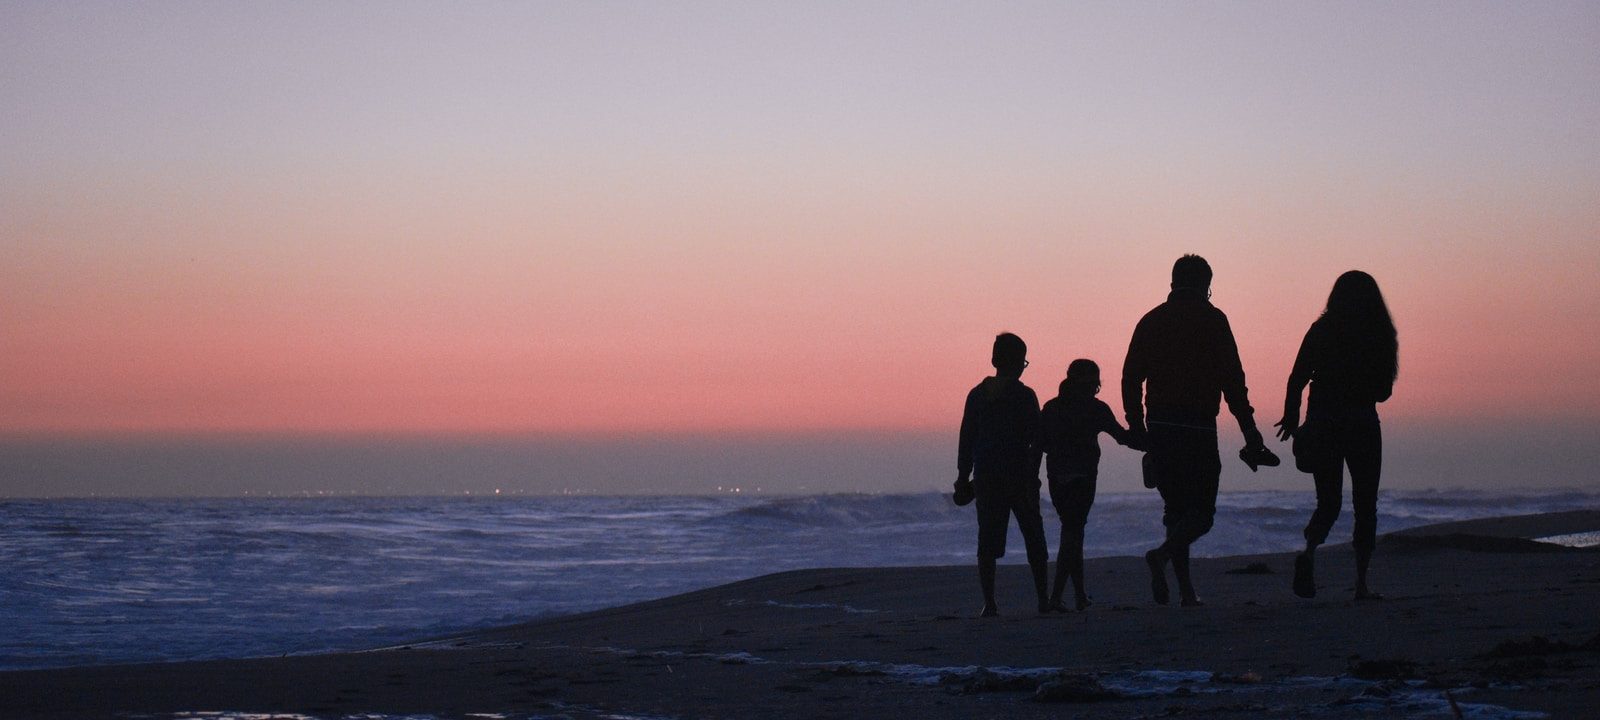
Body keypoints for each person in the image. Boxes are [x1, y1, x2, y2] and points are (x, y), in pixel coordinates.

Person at [1122, 254, 1266, 606]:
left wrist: (1136, 423)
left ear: (1173, 282)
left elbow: (1130, 377)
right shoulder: (1214, 320)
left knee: (1176, 511)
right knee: (1201, 515)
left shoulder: (1152, 320)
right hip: (1198, 427)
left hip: (1159, 426)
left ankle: (1186, 591)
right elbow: (1233, 381)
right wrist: (1250, 431)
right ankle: (1163, 555)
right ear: (1206, 285)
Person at [1275, 270, 1397, 601]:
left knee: (1328, 502)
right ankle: (1360, 583)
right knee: (1365, 504)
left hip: (1323, 423)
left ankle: (1310, 552)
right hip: (1361, 422)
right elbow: (1384, 391)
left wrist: (1291, 418)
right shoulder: (1379, 333)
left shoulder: (1321, 330)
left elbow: (1296, 378)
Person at [956, 332, 1051, 616]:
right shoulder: (1024, 395)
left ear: (995, 360)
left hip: (986, 476)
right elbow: (1038, 436)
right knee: (1034, 536)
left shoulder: (976, 395)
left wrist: (963, 476)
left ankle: (990, 602)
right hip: (1019, 475)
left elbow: (966, 438)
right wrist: (1035, 470)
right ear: (1020, 363)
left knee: (988, 540)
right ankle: (1043, 600)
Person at [1038, 359, 1140, 612]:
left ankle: (1079, 595)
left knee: (1073, 532)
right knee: (1073, 533)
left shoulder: (1052, 407)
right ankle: (1057, 596)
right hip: (1083, 478)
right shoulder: (1096, 409)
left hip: (1056, 479)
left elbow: (1039, 445)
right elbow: (1122, 437)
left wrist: (1031, 474)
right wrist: (1149, 441)